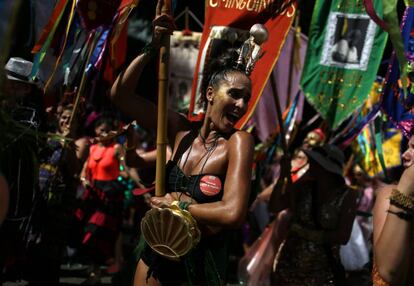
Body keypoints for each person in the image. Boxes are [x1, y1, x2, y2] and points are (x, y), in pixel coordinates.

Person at [110, 1, 254, 284]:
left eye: (246, 99)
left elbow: (233, 212)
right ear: (211, 93)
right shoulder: (178, 130)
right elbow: (121, 95)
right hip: (156, 251)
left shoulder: (239, 142)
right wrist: (152, 47)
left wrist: (179, 205)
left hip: (200, 264)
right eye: (235, 94)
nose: (241, 105)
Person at [271, 144, 357, 286]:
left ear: (326, 169)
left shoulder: (348, 195)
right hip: (288, 266)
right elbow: (275, 206)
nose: (310, 165)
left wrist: (306, 233)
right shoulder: (304, 187)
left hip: (322, 273)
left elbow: (343, 237)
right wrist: (282, 176)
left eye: (315, 162)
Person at [372, 133, 414, 285]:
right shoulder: (389, 195)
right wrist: (404, 190)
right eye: (408, 146)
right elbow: (389, 272)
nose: (405, 155)